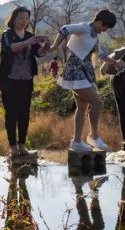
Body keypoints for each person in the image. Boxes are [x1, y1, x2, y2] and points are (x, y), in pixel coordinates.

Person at [47, 10, 120, 152]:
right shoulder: (84, 27)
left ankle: (77, 141)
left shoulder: (94, 36)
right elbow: (64, 29)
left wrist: (114, 62)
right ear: (100, 22)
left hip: (85, 71)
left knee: (82, 107)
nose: (104, 31)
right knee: (97, 102)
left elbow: (101, 55)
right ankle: (93, 136)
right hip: (75, 69)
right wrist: (54, 47)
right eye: (105, 27)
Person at [0, 6, 50, 157]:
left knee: (24, 113)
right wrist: (30, 41)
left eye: (26, 19)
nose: (24, 21)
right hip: (9, 80)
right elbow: (11, 48)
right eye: (21, 18)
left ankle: (22, 145)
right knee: (11, 113)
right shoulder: (7, 34)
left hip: (26, 79)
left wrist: (45, 45)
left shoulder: (29, 35)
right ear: (14, 19)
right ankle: (13, 147)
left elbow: (38, 53)